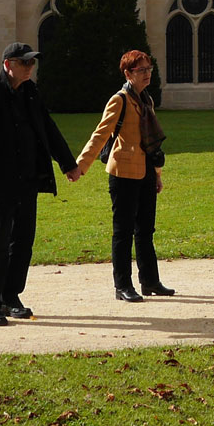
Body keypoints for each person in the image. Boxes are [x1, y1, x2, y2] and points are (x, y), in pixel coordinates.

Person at [0, 41, 80, 325]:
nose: (30, 67)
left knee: (23, 241)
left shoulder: (30, 92)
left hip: (28, 180)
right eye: (24, 62)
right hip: (1, 182)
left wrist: (68, 164)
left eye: (32, 62)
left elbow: (48, 128)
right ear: (8, 65)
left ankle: (10, 296)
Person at [74, 50, 171, 303]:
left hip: (146, 172)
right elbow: (101, 133)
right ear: (128, 73)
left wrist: (157, 175)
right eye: (141, 70)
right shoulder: (120, 100)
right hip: (123, 173)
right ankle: (123, 285)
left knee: (146, 230)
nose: (148, 74)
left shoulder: (146, 99)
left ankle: (150, 281)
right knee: (123, 231)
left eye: (149, 68)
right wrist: (80, 166)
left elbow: (152, 145)